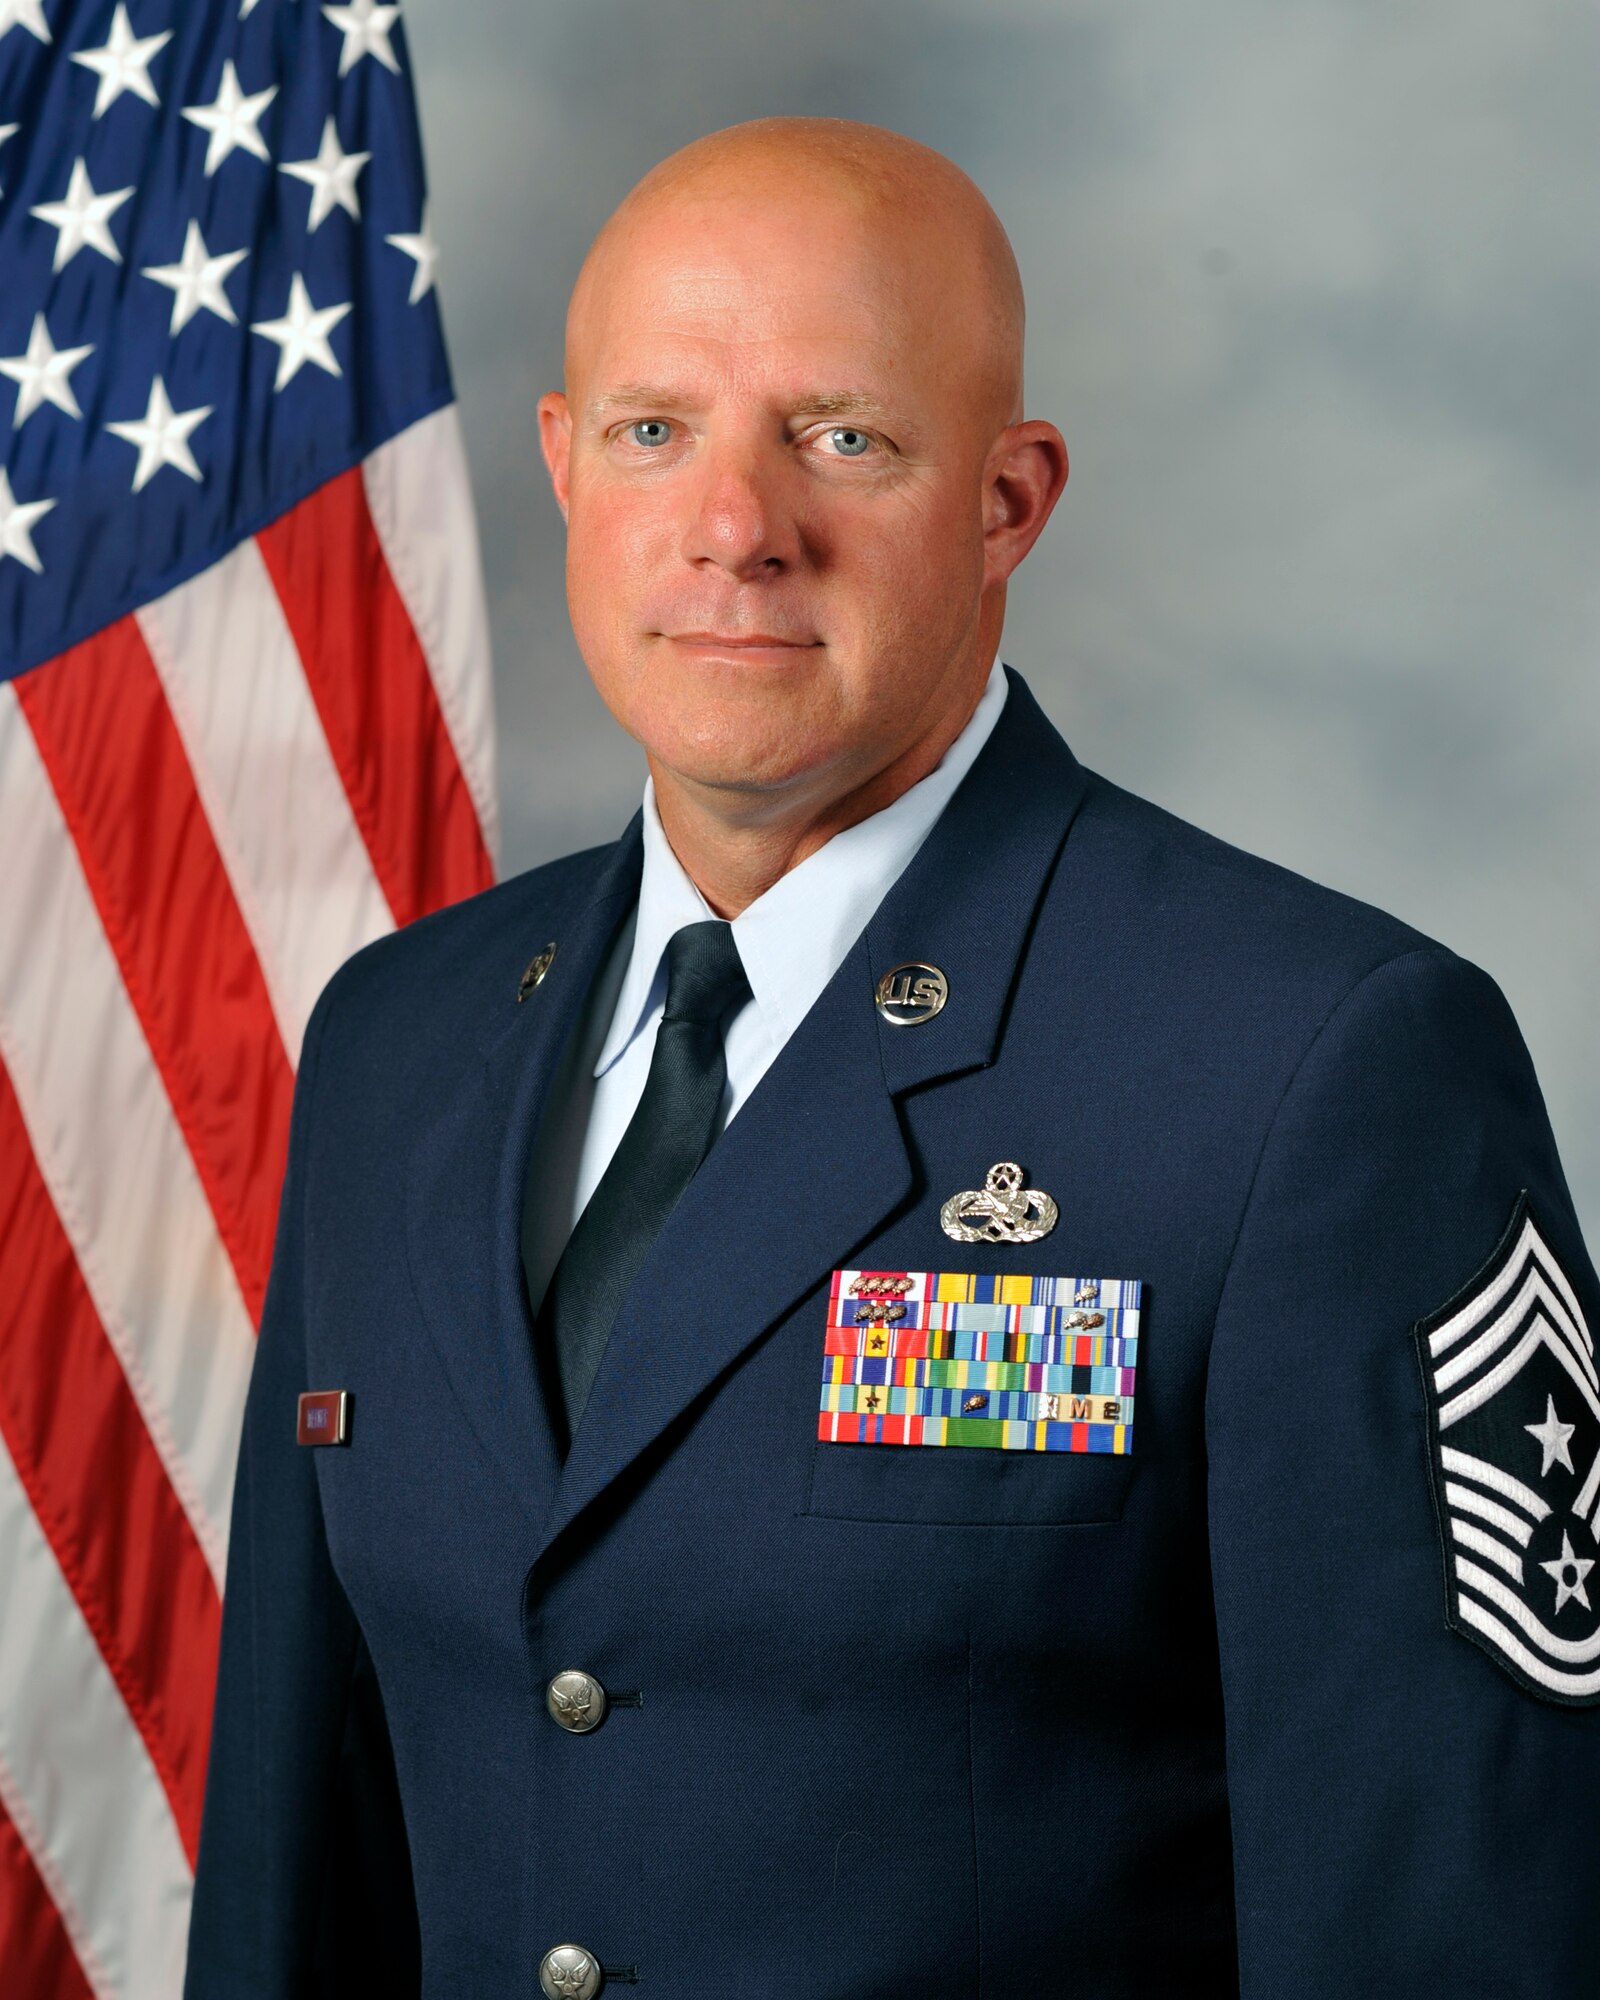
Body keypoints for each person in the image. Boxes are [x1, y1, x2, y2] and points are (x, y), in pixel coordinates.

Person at [184, 117, 1600, 1999]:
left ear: (1009, 501)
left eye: (842, 437)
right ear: (563, 465)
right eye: (654, 430)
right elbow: (301, 1883)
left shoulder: (1320, 1071)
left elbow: (1449, 1931)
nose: (736, 526)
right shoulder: (396, 1046)